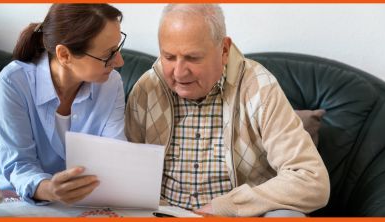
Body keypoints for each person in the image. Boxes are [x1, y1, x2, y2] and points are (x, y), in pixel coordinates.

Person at [125, 4, 330, 217]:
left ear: (223, 50)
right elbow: (127, 172)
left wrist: (228, 206)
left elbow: (310, 178)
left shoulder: (260, 88)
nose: (179, 72)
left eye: (192, 58)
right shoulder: (147, 88)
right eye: (168, 57)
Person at [0, 4, 127, 205]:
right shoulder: (13, 81)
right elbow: (20, 164)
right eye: (109, 54)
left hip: (76, 204)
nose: (120, 61)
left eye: (118, 48)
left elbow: (114, 153)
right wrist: (50, 189)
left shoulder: (111, 83)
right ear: (64, 55)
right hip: (12, 199)